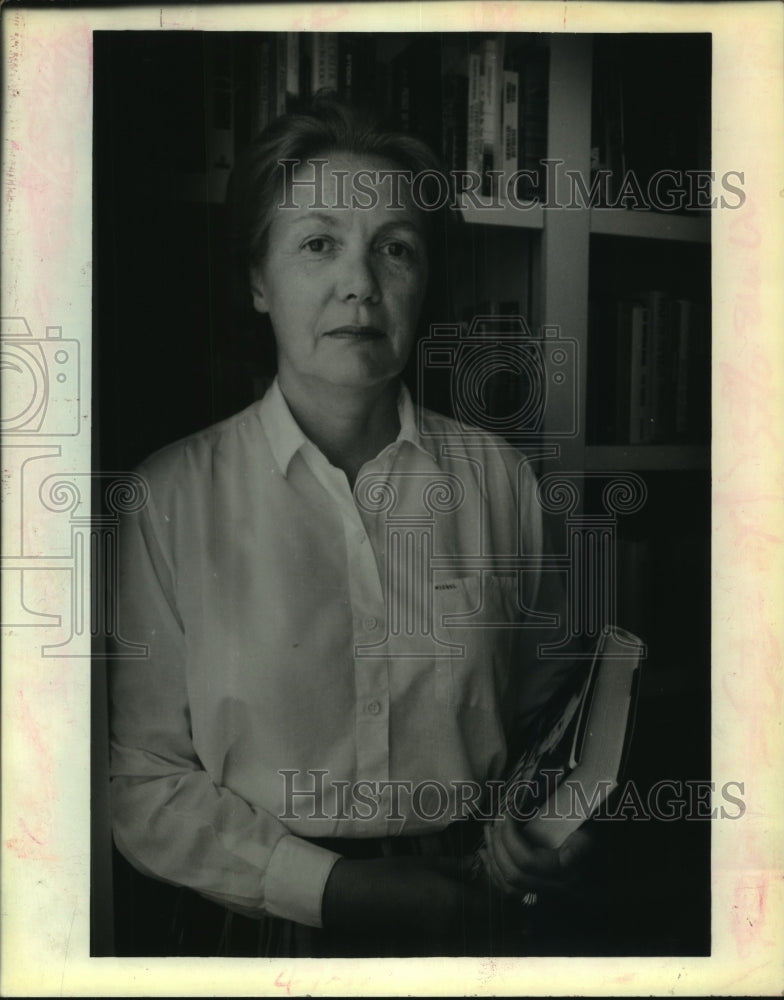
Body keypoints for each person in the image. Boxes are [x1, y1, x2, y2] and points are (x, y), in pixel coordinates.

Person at [109, 98, 588, 958]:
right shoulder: (167, 499)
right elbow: (140, 783)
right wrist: (336, 891)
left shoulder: (501, 482)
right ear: (259, 281)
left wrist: (544, 824)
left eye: (394, 249)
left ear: (424, 280)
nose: (360, 283)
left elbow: (545, 724)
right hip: (259, 936)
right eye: (319, 243)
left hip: (473, 916)